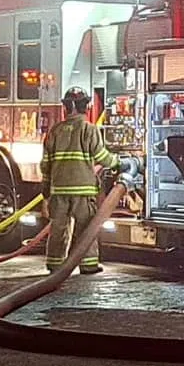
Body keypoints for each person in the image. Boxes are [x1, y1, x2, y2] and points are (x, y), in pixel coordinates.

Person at [41, 87, 124, 275]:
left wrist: (46, 191)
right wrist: (119, 162)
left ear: (66, 107)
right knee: (86, 228)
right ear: (85, 107)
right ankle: (88, 265)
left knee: (58, 229)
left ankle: (55, 265)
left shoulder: (55, 131)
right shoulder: (89, 129)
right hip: (83, 191)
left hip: (59, 190)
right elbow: (102, 156)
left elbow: (45, 164)